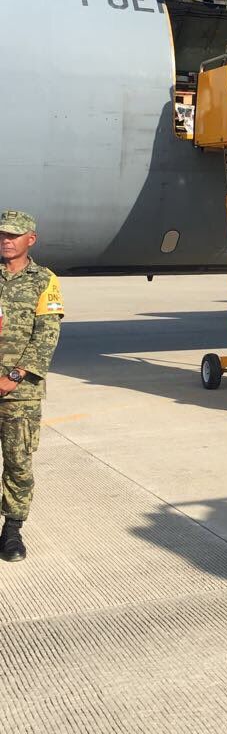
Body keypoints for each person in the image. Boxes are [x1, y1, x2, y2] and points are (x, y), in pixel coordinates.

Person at [0, 210, 64, 562]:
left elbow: (47, 336)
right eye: (2, 235)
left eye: (13, 234)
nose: (6, 240)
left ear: (30, 239)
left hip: (19, 393)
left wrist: (13, 377)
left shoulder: (44, 280)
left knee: (18, 464)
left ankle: (12, 532)